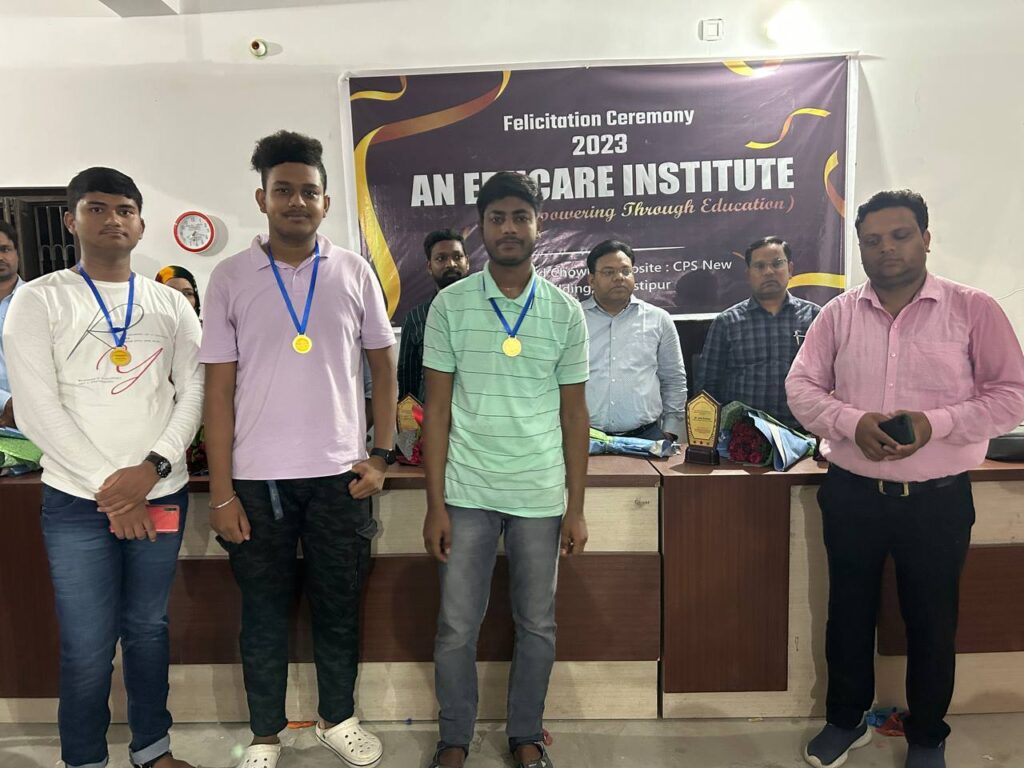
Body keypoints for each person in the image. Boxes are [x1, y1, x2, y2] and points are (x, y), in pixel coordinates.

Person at [786, 190, 1024, 768]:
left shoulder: (973, 309)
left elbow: (1011, 395)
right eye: (872, 240)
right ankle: (846, 720)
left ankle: (927, 735)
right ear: (860, 247)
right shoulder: (838, 314)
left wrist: (934, 423)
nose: (886, 248)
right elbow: (802, 387)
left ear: (926, 238)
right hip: (853, 494)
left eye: (900, 235)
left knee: (932, 621)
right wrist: (851, 422)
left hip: (937, 500)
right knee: (848, 614)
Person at [200, 130, 396, 768]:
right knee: (263, 614)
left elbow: (384, 367)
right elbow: (218, 392)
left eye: (309, 192)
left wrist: (382, 454)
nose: (296, 202)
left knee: (339, 607)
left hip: (341, 476)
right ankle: (264, 734)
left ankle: (338, 718)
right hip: (258, 482)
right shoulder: (229, 277)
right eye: (283, 190)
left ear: (326, 202)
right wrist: (222, 493)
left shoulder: (354, 271)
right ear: (261, 198)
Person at [3, 167, 203, 768]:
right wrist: (112, 490)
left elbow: (194, 390)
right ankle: (85, 759)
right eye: (97, 208)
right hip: (76, 503)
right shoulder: (40, 299)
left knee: (148, 629)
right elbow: (35, 409)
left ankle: (153, 749)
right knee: (87, 643)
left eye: (125, 209)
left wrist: (153, 468)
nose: (113, 219)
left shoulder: (171, 303)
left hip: (161, 493)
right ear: (71, 220)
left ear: (140, 225)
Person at [421, 171, 590, 768]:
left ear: (539, 225)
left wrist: (576, 506)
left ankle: (525, 735)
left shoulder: (565, 312)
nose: (509, 228)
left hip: (539, 494)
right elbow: (436, 411)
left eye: (521, 216)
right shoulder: (449, 305)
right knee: (455, 627)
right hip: (467, 491)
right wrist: (434, 505)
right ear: (481, 228)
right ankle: (454, 738)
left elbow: (575, 414)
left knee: (537, 625)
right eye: (497, 218)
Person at [700, 236, 820, 428]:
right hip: (742, 435)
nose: (769, 272)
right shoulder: (727, 322)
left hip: (802, 432)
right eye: (760, 266)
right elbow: (708, 386)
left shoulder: (816, 317)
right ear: (748, 274)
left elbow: (830, 378)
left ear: (790, 269)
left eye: (777, 264)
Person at [582, 239, 687, 441]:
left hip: (647, 437)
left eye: (625, 271)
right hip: (585, 437)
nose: (619, 278)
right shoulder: (573, 319)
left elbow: (674, 379)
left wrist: (672, 430)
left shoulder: (658, 319)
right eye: (608, 272)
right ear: (592, 280)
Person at [397, 229, 470, 403]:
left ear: (467, 262)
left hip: (479, 413)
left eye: (457, 257)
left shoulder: (487, 311)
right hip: (433, 414)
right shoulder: (415, 318)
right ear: (429, 266)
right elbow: (408, 382)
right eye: (441, 258)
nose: (450, 264)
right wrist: (409, 420)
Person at [157, 265, 205, 473]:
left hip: (205, 425)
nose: (181, 299)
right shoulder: (145, 336)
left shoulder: (213, 332)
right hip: (160, 431)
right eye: (171, 292)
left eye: (187, 293)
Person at [0, 220, 24, 429]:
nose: (0, 257)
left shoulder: (41, 302)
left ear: (17, 253)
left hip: (38, 415)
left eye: (5, 249)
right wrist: (5, 402)